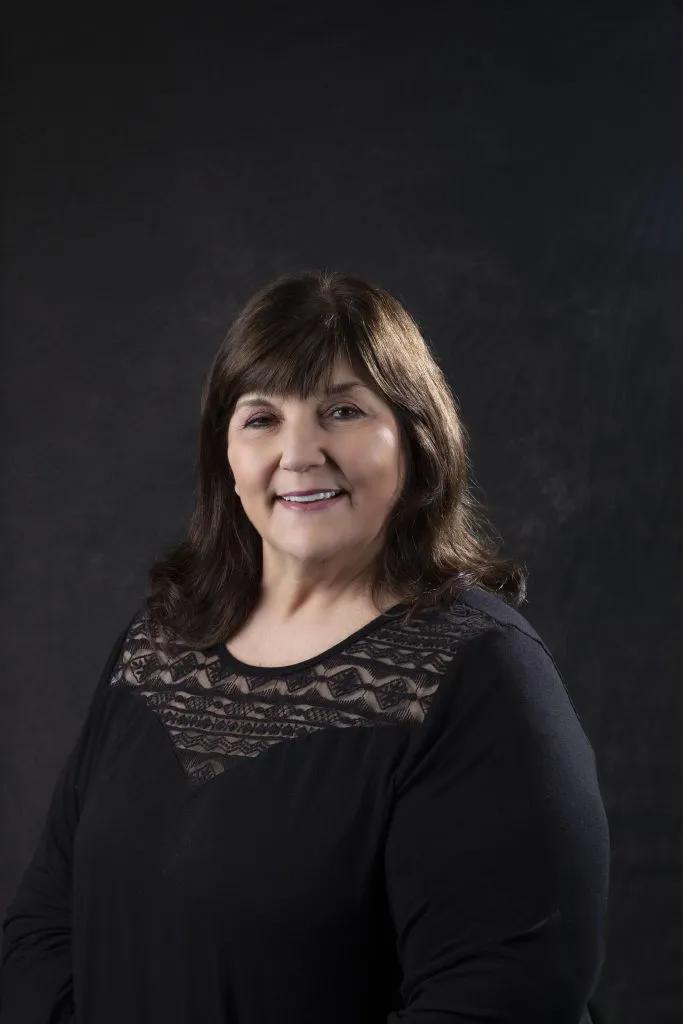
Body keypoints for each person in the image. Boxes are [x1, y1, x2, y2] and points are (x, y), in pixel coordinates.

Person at [0, 269, 610, 1023]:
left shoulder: (482, 674)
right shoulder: (157, 647)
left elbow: (500, 1000)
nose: (299, 453)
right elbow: (39, 933)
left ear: (415, 439)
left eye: (342, 411)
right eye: (261, 418)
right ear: (225, 450)